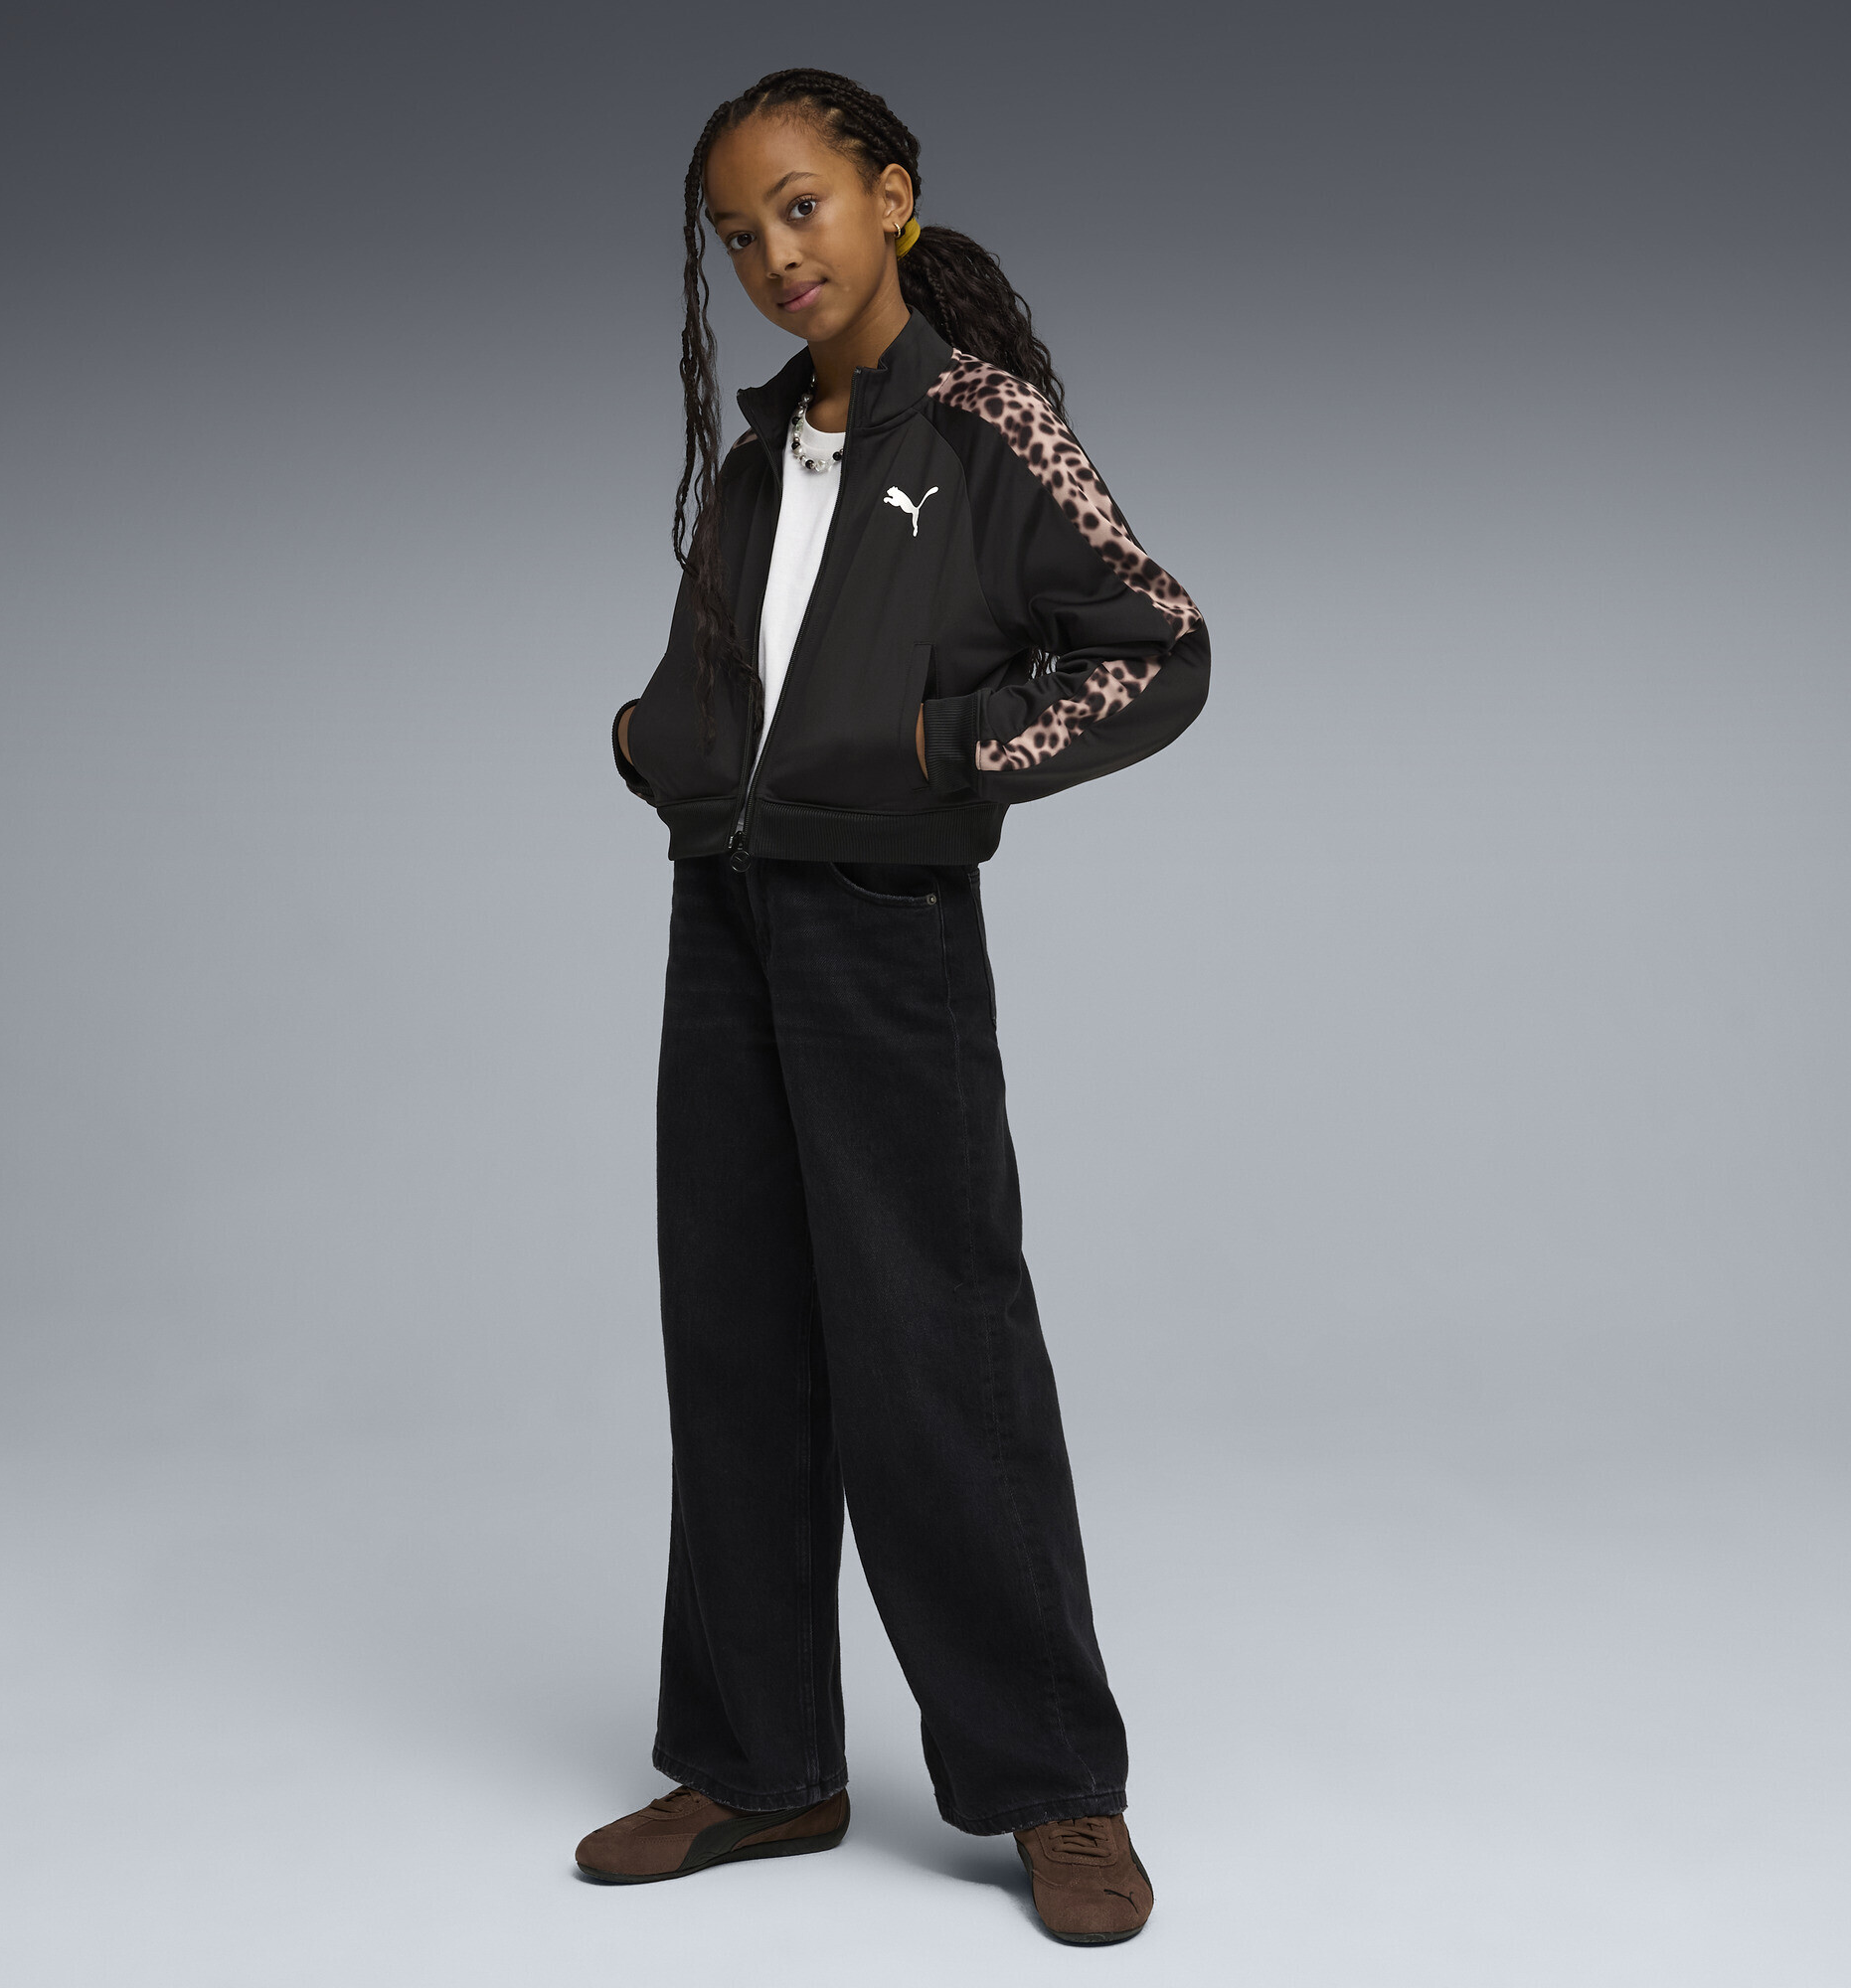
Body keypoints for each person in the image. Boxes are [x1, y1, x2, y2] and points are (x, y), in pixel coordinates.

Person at [581, 68, 1210, 1946]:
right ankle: (762, 1762)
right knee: (739, 1340)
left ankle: (1053, 1784)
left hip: (884, 929)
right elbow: (735, 673)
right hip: (728, 918)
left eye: (803, 206)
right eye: (739, 233)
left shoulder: (987, 423)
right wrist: (656, 743)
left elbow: (1157, 645)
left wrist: (947, 755)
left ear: (891, 196)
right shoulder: (762, 453)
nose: (775, 253)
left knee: (937, 1354)